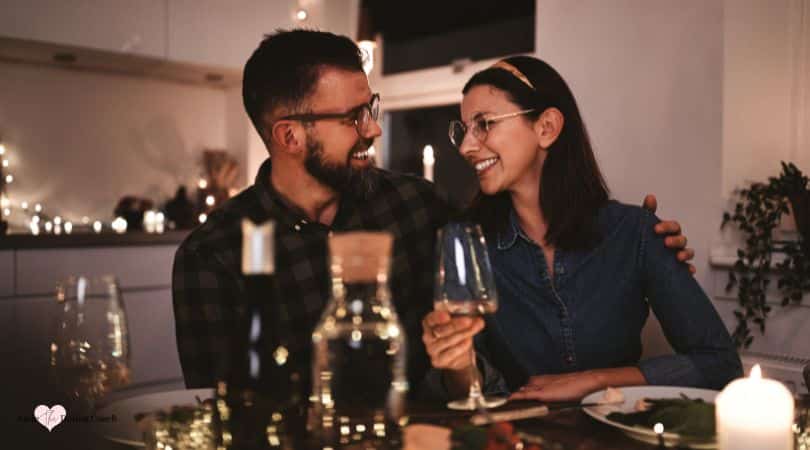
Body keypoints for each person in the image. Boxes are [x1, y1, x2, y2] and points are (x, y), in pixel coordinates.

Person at [171, 30, 694, 399]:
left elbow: (522, 239)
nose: (374, 130)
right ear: (289, 135)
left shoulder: (414, 206)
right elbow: (225, 418)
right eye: (354, 117)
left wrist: (635, 244)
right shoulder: (213, 256)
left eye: (370, 107)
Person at [421, 56, 742, 402]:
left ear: (546, 128)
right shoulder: (471, 245)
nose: (468, 147)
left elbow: (720, 366)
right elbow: (476, 393)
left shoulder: (635, 234)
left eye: (484, 123)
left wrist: (595, 381)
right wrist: (457, 364)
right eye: (464, 129)